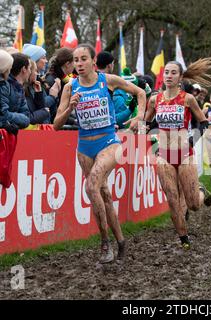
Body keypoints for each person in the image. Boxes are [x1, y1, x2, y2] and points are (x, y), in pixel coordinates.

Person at [53, 44, 146, 264]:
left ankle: (105, 243)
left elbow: (141, 93)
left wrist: (139, 116)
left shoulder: (108, 80)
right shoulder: (70, 87)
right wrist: (69, 109)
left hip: (109, 142)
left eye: (83, 59)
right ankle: (121, 240)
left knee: (91, 185)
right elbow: (57, 124)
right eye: (75, 60)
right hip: (84, 147)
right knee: (103, 194)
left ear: (93, 61)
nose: (79, 64)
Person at [144, 58, 211, 250]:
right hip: (164, 155)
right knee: (173, 199)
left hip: (185, 154)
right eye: (166, 72)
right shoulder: (154, 99)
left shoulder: (187, 99)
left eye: (173, 72)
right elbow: (147, 123)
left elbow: (203, 123)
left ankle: (201, 191)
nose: (168, 76)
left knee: (192, 204)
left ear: (180, 77)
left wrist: (192, 141)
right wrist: (146, 132)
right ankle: (184, 239)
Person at [0, 52, 30, 133]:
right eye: (8, 68)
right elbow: (3, 115)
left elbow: (27, 117)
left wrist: (13, 124)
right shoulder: (4, 85)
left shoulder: (20, 88)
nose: (9, 71)